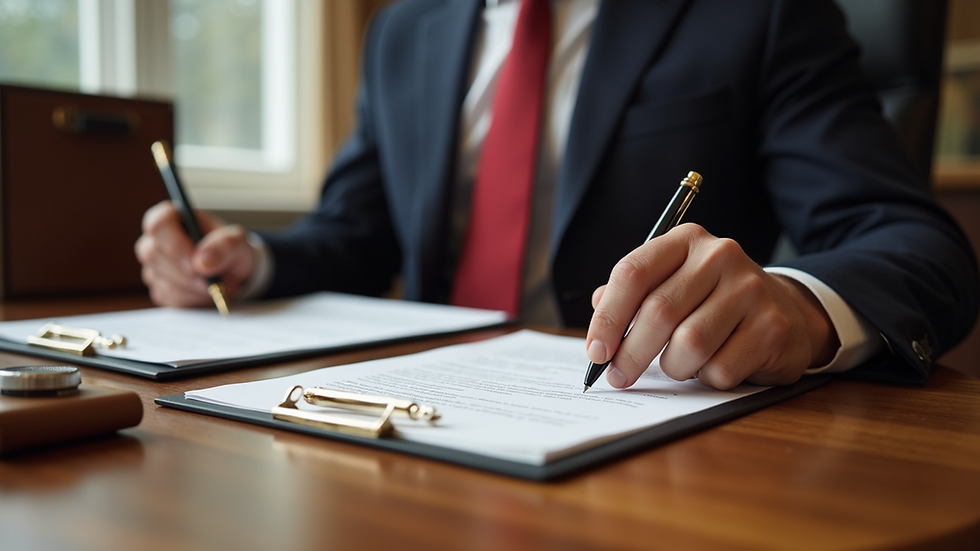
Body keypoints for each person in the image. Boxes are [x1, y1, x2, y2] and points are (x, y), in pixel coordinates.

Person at [136, 0, 979, 390]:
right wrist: (250, 259)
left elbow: (914, 242)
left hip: (645, 429)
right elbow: (356, 231)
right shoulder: (402, 29)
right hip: (419, 418)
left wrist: (796, 305)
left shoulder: (756, 14)